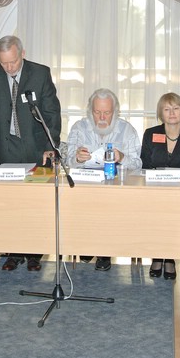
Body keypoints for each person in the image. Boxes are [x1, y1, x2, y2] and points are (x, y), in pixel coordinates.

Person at [0, 35, 61, 272]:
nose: (9, 67)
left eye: (13, 62)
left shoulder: (40, 74)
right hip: (6, 147)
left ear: (22, 54)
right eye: (4, 63)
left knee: (35, 204)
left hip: (37, 148)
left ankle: (34, 254)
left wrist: (50, 145)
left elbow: (52, 112)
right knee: (10, 204)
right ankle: (13, 252)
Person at [67, 88, 142, 272]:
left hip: (115, 189)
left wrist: (122, 157)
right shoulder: (78, 128)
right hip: (85, 189)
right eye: (97, 112)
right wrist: (77, 158)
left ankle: (104, 251)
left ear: (115, 112)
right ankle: (87, 244)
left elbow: (138, 164)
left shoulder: (127, 130)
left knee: (109, 203)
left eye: (107, 113)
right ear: (90, 111)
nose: (101, 117)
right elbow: (67, 161)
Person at [141, 92, 180, 281]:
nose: (172, 113)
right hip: (154, 189)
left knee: (174, 217)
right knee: (155, 217)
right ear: (161, 113)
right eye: (167, 109)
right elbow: (145, 163)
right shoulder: (151, 134)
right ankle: (157, 256)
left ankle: (170, 258)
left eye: (176, 108)